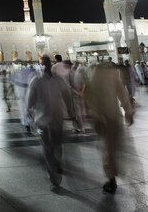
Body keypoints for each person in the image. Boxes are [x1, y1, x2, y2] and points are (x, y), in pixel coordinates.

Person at [26, 55, 74, 192]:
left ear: (50, 64)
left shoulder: (58, 80)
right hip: (42, 120)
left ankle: (57, 163)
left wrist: (70, 110)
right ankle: (54, 180)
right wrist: (29, 113)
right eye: (43, 63)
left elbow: (66, 95)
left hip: (57, 118)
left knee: (57, 148)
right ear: (41, 65)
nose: (45, 65)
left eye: (47, 63)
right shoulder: (36, 81)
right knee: (48, 149)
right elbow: (30, 100)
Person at [85, 60, 134, 194]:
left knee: (107, 148)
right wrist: (128, 112)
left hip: (102, 119)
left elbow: (89, 98)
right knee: (113, 147)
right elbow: (122, 94)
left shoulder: (94, 75)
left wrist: (94, 115)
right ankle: (114, 173)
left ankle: (111, 178)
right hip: (113, 116)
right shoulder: (113, 75)